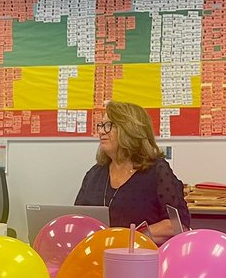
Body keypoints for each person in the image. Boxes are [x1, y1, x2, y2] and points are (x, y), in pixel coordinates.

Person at [74, 101, 189, 243]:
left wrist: (128, 237)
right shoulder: (94, 174)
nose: (101, 131)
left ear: (130, 130)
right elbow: (77, 221)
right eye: (101, 125)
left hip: (142, 258)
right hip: (97, 256)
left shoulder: (157, 171)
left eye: (109, 125)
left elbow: (176, 225)